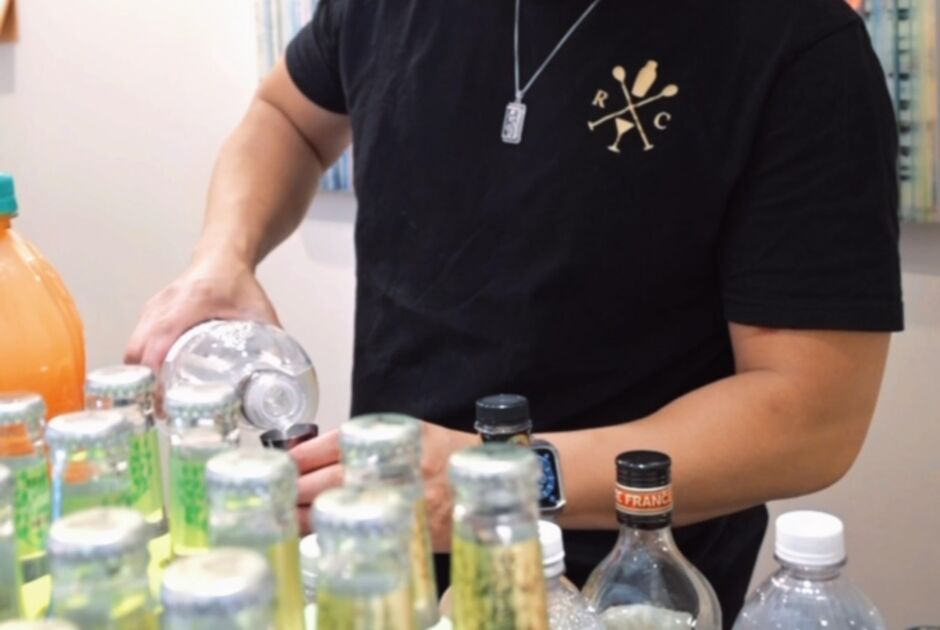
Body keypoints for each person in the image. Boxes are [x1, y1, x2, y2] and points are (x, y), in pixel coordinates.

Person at [125, 0, 903, 624]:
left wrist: (502, 481)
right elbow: (287, 116)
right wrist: (223, 257)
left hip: (616, 594)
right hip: (383, 566)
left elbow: (811, 418)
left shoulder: (795, 41)